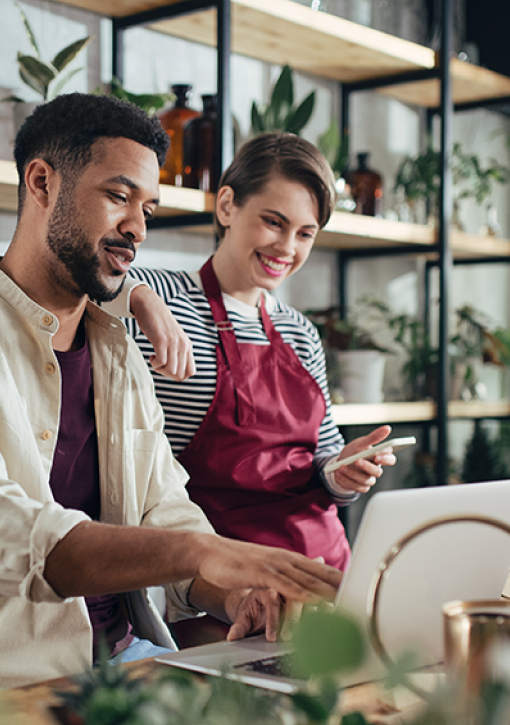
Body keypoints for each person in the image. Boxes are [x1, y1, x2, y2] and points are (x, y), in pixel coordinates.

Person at [0, 94, 343, 715]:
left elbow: (163, 509)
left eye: (147, 208)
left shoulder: (117, 348)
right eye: (119, 197)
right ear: (42, 182)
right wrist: (207, 551)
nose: (138, 229)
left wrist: (231, 594)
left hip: (127, 667)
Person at [108, 133, 399, 641]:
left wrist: (343, 471)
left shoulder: (300, 332)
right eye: (273, 222)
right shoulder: (164, 297)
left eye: (306, 234)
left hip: (322, 576)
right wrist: (138, 297)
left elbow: (321, 467)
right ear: (226, 205)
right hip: (223, 593)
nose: (287, 249)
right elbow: (79, 285)